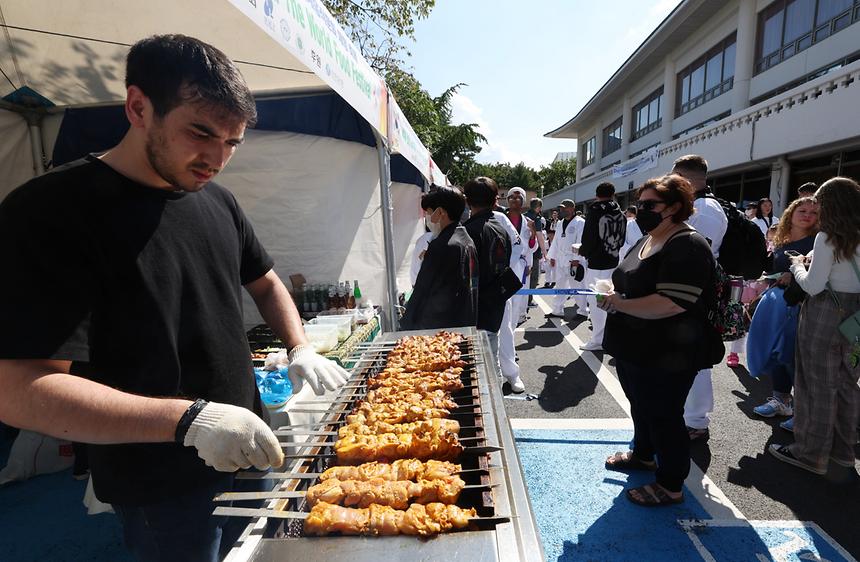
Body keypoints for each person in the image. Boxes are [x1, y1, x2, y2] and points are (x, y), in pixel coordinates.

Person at [0, 35, 350, 561]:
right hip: (158, 481)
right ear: (138, 107)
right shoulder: (50, 210)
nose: (216, 158)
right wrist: (187, 422)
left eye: (232, 142)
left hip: (249, 447)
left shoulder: (217, 201)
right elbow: (19, 387)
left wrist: (298, 346)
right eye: (201, 132)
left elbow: (266, 281)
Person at [600, 174, 720, 506]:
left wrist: (621, 304)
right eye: (639, 204)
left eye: (650, 204)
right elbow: (633, 282)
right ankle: (643, 454)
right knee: (642, 406)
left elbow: (672, 302)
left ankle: (670, 483)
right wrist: (615, 294)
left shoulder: (688, 245)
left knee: (664, 414)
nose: (642, 210)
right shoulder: (649, 238)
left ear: (675, 207)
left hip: (668, 352)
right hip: (635, 347)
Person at [770, 177, 860, 481]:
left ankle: (811, 454)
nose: (816, 207)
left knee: (815, 384)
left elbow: (812, 285)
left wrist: (797, 264)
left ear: (831, 204)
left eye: (819, 201)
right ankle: (843, 453)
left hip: (824, 314)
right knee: (848, 383)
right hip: (856, 318)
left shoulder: (827, 238)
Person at [747, 197, 819, 424]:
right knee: (777, 354)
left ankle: (804, 412)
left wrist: (796, 275)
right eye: (803, 210)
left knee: (793, 357)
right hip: (777, 307)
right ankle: (781, 401)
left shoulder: (818, 241)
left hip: (802, 308)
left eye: (814, 212)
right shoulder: (781, 239)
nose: (808, 215)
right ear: (791, 213)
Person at [671, 154, 727, 442]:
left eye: (676, 176)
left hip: (697, 291)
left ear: (689, 178)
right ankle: (689, 416)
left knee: (696, 359)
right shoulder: (702, 206)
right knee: (688, 356)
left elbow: (693, 255)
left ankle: (695, 421)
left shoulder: (704, 210)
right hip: (693, 289)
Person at [462, 177, 522, 392]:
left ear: (468, 201)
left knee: (482, 372)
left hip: (478, 309)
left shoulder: (468, 231)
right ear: (495, 200)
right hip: (496, 301)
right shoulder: (500, 226)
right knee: (491, 361)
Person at [401, 187, 478, 330]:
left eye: (429, 212)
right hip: (463, 320)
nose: (427, 218)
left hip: (441, 329)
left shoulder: (443, 245)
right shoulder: (465, 238)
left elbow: (423, 291)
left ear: (441, 212)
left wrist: (407, 323)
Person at [578, 182, 626, 351]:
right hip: (613, 260)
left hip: (597, 263)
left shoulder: (595, 211)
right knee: (611, 299)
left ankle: (598, 339)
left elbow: (589, 238)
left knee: (596, 301)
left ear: (597, 194)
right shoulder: (621, 212)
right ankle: (610, 336)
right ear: (613, 194)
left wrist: (583, 251)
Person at [546, 200, 587, 318]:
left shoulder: (580, 222)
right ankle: (557, 310)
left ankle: (583, 311)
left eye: (564, 208)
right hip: (560, 259)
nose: (561, 210)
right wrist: (552, 256)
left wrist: (576, 259)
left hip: (573, 260)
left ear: (572, 208)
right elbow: (556, 241)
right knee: (559, 285)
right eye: (561, 208)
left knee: (577, 285)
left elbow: (581, 242)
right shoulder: (560, 223)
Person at [505, 187, 538, 324]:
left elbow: (532, 247)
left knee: (520, 295)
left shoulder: (528, 223)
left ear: (523, 201)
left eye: (518, 197)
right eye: (511, 197)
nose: (514, 200)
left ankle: (518, 317)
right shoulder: (500, 219)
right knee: (505, 297)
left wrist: (533, 233)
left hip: (521, 264)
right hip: (504, 263)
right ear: (507, 200)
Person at [526, 197, 549, 308]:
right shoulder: (537, 219)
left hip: (522, 252)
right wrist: (545, 253)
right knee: (534, 277)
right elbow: (540, 237)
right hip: (534, 252)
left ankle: (523, 301)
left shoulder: (523, 216)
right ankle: (528, 300)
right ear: (539, 207)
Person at [544, 208, 560, 287]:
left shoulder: (560, 222)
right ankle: (547, 281)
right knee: (547, 267)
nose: (554, 215)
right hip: (548, 251)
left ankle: (554, 281)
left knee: (555, 267)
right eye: (553, 214)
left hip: (556, 251)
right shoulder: (549, 222)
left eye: (556, 214)